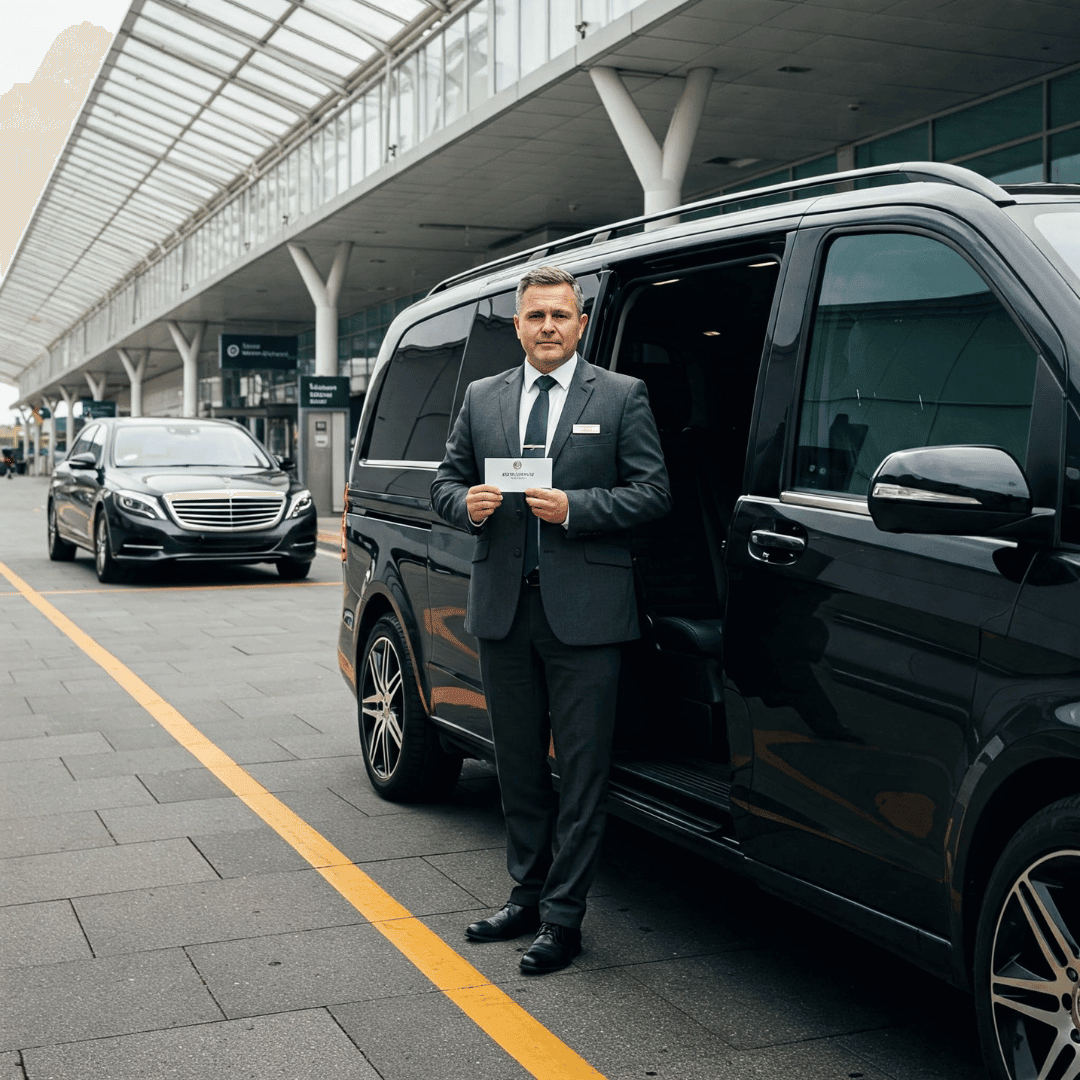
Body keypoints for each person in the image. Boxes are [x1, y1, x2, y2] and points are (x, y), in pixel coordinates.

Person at [431, 265, 670, 973]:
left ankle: (563, 919)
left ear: (580, 323)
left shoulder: (622, 396)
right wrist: (462, 505)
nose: (547, 328)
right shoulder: (482, 397)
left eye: (560, 316)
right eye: (535, 316)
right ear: (518, 324)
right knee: (518, 770)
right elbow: (443, 480)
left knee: (584, 774)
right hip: (505, 611)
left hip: (587, 617)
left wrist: (579, 509)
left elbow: (654, 493)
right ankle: (525, 896)